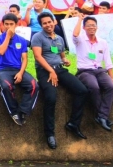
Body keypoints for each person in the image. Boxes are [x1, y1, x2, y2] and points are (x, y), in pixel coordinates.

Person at [31, 12, 89, 149]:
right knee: (51, 98)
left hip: (59, 70)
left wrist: (65, 60)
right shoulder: (37, 37)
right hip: (45, 71)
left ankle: (73, 123)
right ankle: (49, 134)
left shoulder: (59, 38)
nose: (48, 25)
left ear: (54, 21)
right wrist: (51, 71)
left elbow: (61, 55)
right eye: (44, 23)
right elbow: (38, 57)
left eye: (49, 22)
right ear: (41, 25)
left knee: (82, 90)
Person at [70, 11, 113, 131]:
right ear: (84, 28)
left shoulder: (102, 42)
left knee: (110, 86)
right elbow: (75, 34)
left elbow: (108, 61)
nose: (91, 27)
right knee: (94, 87)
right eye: (89, 25)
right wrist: (80, 19)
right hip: (84, 71)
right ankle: (102, 116)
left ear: (97, 27)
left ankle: (101, 116)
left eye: (93, 25)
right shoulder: (80, 40)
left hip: (99, 70)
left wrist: (112, 77)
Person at [0, 12, 39, 127]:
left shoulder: (22, 40)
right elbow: (1, 51)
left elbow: (25, 59)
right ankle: (14, 112)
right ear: (2, 24)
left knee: (34, 85)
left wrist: (20, 73)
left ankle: (23, 111)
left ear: (16, 25)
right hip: (3, 70)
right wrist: (8, 37)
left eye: (11, 24)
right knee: (6, 87)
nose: (9, 26)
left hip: (18, 69)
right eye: (6, 24)